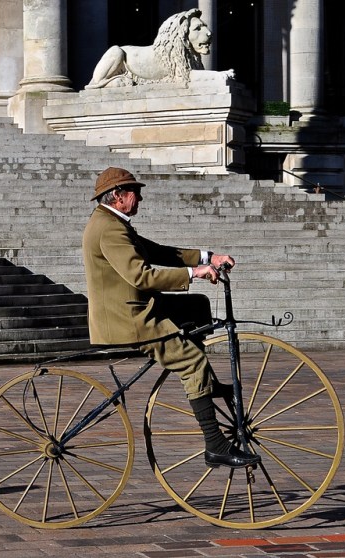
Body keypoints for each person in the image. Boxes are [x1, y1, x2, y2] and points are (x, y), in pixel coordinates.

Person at [82, 167, 259, 468]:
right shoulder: (109, 229)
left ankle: (206, 384)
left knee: (196, 307)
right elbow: (140, 275)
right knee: (192, 361)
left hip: (137, 307)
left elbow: (159, 252)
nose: (140, 198)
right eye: (135, 193)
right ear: (119, 196)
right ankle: (215, 445)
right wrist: (194, 273)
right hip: (129, 318)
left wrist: (208, 257)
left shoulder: (113, 223)